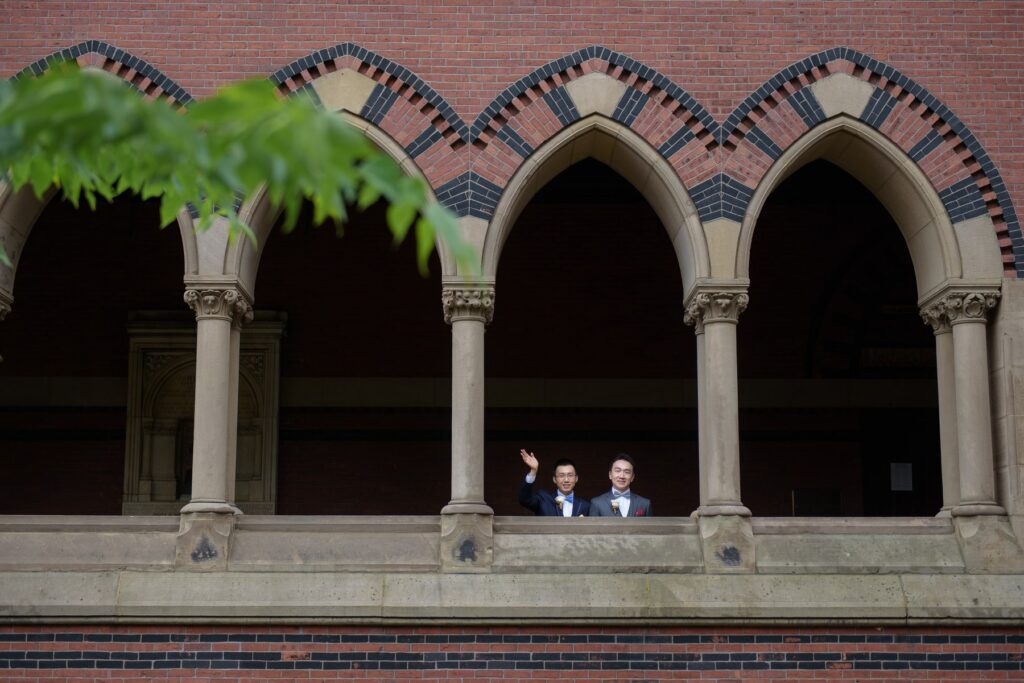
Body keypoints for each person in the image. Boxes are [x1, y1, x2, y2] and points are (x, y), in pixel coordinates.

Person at [517, 449, 591, 517]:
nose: (566, 480)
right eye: (561, 475)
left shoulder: (585, 506)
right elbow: (524, 500)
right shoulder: (543, 499)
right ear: (554, 479)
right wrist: (533, 471)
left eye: (570, 475)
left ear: (576, 478)